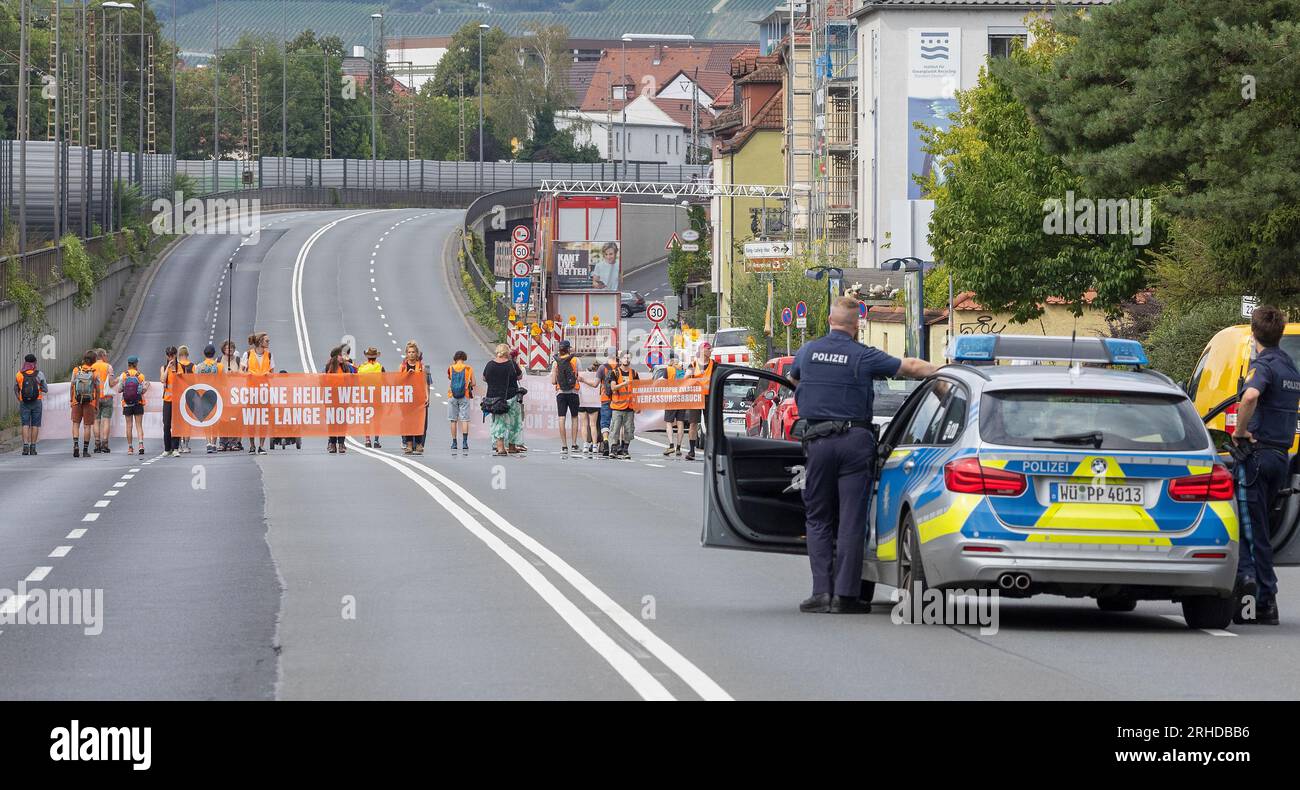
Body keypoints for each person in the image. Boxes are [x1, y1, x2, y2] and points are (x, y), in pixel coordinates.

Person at [789, 297, 938, 615]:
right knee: (852, 520)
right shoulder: (862, 355)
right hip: (855, 442)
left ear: (830, 320)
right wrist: (942, 373)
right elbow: (910, 367)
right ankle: (845, 596)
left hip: (818, 442)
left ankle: (820, 594)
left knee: (818, 518)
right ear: (857, 326)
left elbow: (794, 377)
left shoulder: (807, 351)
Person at [1231, 306, 1300, 626]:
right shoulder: (1290, 368)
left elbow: (1250, 397)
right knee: (1261, 529)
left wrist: (1240, 432)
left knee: (1249, 530)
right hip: (1280, 457)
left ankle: (1258, 599)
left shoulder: (1264, 366)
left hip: (1256, 458)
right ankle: (1259, 597)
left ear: (1254, 332)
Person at [683, 342, 714, 461]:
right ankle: (691, 451)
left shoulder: (714, 364)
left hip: (709, 397)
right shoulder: (693, 364)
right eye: (708, 349)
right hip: (695, 397)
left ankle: (711, 449)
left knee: (709, 424)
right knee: (693, 423)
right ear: (702, 350)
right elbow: (685, 379)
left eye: (710, 349)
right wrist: (687, 377)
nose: (710, 351)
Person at [399, 342, 432, 455]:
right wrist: (407, 374)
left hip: (419, 398)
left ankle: (419, 444)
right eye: (409, 352)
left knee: (420, 421)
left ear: (417, 353)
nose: (411, 354)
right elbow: (398, 381)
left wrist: (427, 396)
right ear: (406, 354)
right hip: (407, 399)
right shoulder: (402, 366)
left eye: (413, 352)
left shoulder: (422, 367)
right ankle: (408, 444)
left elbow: (426, 383)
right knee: (408, 421)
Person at [244, 332, 273, 454]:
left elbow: (272, 373)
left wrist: (269, 375)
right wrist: (248, 374)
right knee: (251, 419)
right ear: (260, 341)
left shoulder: (269, 355)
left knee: (263, 419)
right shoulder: (248, 354)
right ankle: (252, 445)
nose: (268, 343)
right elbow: (242, 371)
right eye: (266, 341)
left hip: (264, 391)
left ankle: (261, 445)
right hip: (251, 391)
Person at [607, 351, 640, 460]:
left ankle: (625, 450)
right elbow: (613, 387)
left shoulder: (634, 373)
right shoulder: (615, 372)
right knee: (615, 429)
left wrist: (638, 405)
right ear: (620, 360)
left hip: (630, 407)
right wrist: (624, 384)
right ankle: (613, 449)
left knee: (628, 430)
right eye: (625, 358)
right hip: (617, 406)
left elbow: (637, 390)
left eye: (629, 358)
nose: (627, 360)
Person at [551, 340, 581, 457]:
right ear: (569, 349)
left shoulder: (555, 362)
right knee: (574, 417)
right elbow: (579, 376)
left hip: (561, 393)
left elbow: (553, 381)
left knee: (561, 418)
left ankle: (564, 446)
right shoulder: (575, 360)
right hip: (573, 392)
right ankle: (574, 444)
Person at [14, 353, 48, 456]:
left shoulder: (19, 374)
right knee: (35, 424)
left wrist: (20, 399)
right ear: (34, 363)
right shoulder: (39, 374)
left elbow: (16, 389)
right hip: (37, 401)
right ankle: (33, 448)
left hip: (24, 402)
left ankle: (25, 447)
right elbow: (45, 389)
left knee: (25, 424)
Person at [70, 351, 102, 458]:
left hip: (76, 400)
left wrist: (71, 400)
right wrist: (96, 404)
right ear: (93, 361)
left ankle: (75, 445)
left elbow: (72, 386)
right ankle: (85, 450)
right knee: (87, 426)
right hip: (89, 402)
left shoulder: (76, 370)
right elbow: (98, 390)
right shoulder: (94, 372)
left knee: (76, 424)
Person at [115, 355, 149, 456]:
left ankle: (130, 448)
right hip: (138, 403)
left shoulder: (123, 375)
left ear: (128, 364)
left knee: (129, 426)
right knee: (139, 425)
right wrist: (147, 386)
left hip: (126, 404)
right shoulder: (140, 376)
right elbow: (142, 391)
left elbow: (119, 389)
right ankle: (141, 445)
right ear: (136, 364)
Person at [194, 345, 224, 454]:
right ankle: (214, 443)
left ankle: (208, 443)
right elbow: (224, 381)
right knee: (215, 420)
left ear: (204, 354)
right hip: (217, 395)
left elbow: (196, 381)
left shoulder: (199, 367)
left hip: (204, 395)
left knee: (206, 419)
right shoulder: (219, 366)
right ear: (214, 353)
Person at [447, 350, 475, 453]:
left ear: (455, 358)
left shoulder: (450, 368)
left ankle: (454, 443)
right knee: (464, 420)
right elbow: (474, 383)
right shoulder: (468, 368)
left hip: (452, 395)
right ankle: (464, 443)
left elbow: (450, 378)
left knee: (453, 420)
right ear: (464, 358)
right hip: (465, 395)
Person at [357, 347, 385, 449]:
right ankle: (376, 440)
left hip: (366, 396)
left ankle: (367, 439)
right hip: (377, 396)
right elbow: (385, 380)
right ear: (376, 357)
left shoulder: (361, 368)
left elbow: (357, 380)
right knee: (377, 419)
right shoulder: (380, 367)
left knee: (366, 418)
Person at [219, 339, 243, 452]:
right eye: (228, 348)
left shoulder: (238, 360)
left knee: (234, 419)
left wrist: (235, 374)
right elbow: (215, 375)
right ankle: (223, 442)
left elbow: (243, 374)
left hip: (235, 394)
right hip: (223, 394)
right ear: (223, 349)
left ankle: (233, 442)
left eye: (232, 348)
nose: (230, 350)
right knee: (223, 419)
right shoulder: (218, 360)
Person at [325, 346, 349, 454]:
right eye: (340, 355)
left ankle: (341, 443)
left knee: (342, 421)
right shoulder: (329, 367)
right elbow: (323, 382)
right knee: (332, 421)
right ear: (335, 357)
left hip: (343, 397)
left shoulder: (345, 367)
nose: (342, 357)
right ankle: (332, 443)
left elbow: (350, 380)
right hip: (331, 397)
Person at [662, 352, 686, 458]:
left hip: (671, 399)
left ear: (670, 360)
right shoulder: (683, 369)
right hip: (681, 399)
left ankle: (671, 445)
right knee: (680, 423)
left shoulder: (668, 369)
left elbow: (663, 383)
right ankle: (679, 448)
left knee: (669, 423)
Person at [577, 361, 603, 456]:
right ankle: (595, 445)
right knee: (593, 425)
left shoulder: (582, 374)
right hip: (594, 401)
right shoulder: (598, 376)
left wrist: (582, 380)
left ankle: (585, 445)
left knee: (584, 424)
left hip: (582, 400)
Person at [91, 348, 114, 453]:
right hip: (106, 397)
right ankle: (105, 444)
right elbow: (111, 383)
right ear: (103, 356)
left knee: (96, 421)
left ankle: (97, 445)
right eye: (106, 355)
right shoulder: (108, 367)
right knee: (106, 421)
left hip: (95, 398)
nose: (107, 357)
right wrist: (118, 379)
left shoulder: (91, 367)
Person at [174, 346, 196, 455]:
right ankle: (187, 444)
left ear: (178, 354)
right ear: (187, 354)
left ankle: (179, 444)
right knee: (187, 421)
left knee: (179, 421)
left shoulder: (176, 366)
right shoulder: (192, 366)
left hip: (178, 396)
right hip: (189, 395)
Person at [596, 348, 618, 457]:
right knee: (616, 422)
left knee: (605, 422)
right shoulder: (620, 368)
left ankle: (605, 442)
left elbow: (595, 384)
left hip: (605, 398)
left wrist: (583, 380)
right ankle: (616, 445)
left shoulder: (602, 368)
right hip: (617, 399)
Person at [160, 347, 180, 457]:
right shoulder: (163, 367)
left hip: (177, 400)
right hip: (167, 400)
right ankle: (167, 448)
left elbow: (182, 379)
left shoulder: (180, 366)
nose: (170, 357)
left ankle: (175, 447)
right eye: (168, 355)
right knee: (166, 424)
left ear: (175, 355)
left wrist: (174, 369)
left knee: (176, 425)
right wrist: (168, 367)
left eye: (172, 355)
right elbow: (163, 379)